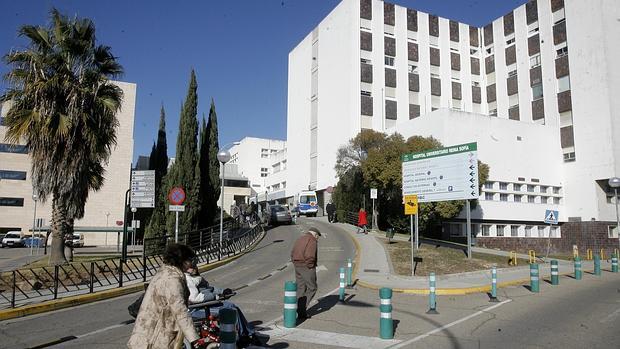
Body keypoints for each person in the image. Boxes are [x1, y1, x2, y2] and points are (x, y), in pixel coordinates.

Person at [127, 243, 200, 349]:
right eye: (190, 260)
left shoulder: (168, 273)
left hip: (153, 335)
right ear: (181, 260)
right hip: (152, 339)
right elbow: (180, 310)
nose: (192, 264)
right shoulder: (171, 279)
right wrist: (194, 338)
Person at [184, 264, 258, 346]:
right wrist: (215, 297)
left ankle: (247, 334)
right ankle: (244, 336)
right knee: (230, 310)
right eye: (192, 267)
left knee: (232, 305)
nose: (195, 267)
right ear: (185, 268)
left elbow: (209, 288)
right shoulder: (188, 279)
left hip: (204, 305)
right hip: (196, 310)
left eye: (195, 265)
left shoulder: (196, 277)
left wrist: (222, 291)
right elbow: (195, 298)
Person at [291, 227, 321, 321]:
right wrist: (310, 265)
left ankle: (297, 309)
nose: (317, 239)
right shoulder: (312, 240)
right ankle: (301, 310)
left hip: (297, 265)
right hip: (306, 266)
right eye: (317, 237)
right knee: (312, 288)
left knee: (301, 287)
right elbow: (310, 255)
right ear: (315, 235)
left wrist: (295, 262)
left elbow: (292, 252)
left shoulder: (300, 238)